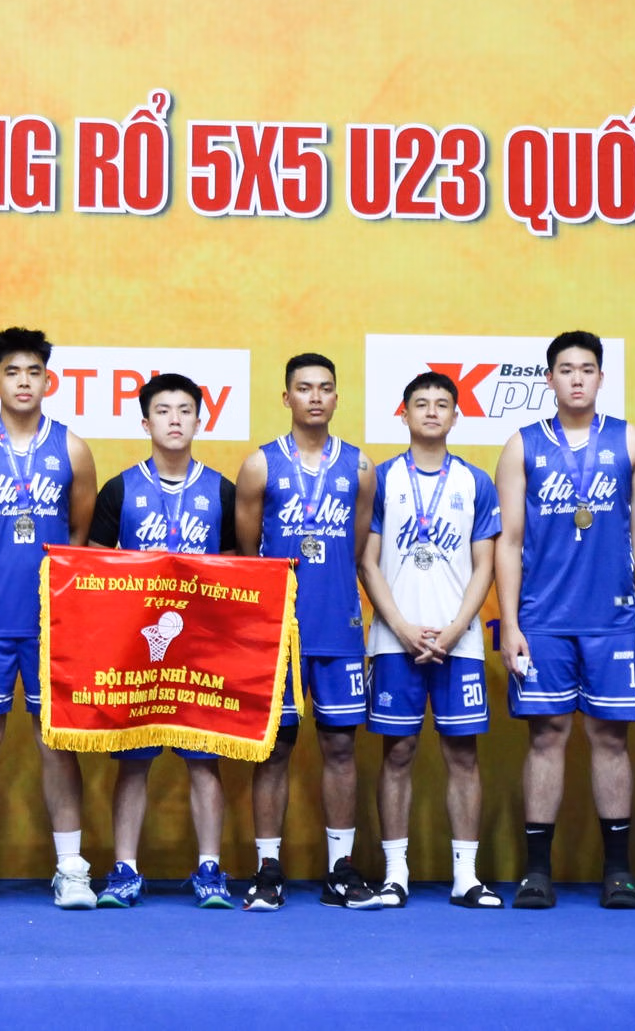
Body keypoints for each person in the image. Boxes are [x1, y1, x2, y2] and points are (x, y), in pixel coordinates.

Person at [494, 330, 635, 909]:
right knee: (547, 736)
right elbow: (508, 542)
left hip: (613, 621)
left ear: (601, 378)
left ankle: (617, 871)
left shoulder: (631, 442)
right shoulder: (522, 446)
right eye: (566, 369)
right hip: (542, 620)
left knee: (610, 738)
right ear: (549, 379)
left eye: (587, 369)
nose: (576, 379)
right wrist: (509, 622)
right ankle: (536, 872)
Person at [0, 328, 99, 912]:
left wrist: (61, 594)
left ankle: (72, 868)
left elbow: (79, 533)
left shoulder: (73, 449)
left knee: (56, 741)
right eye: (13, 371)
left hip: (53, 624)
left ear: (47, 380)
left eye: (34, 371)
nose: (24, 381)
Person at [88, 372, 240, 909]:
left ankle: (210, 867)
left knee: (204, 761)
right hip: (138, 649)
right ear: (145, 422)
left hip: (201, 649)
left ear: (200, 420)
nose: (174, 420)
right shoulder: (120, 489)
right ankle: (125, 868)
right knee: (133, 761)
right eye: (163, 411)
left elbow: (240, 576)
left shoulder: (222, 491)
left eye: (184, 411)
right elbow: (93, 573)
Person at [236, 352, 378, 912]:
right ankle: (268, 868)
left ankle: (341, 869)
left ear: (337, 397)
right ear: (286, 397)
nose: (315, 397)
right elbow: (249, 551)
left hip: (339, 626)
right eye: (304, 388)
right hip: (281, 634)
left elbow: (357, 546)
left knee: (341, 746)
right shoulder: (261, 466)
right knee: (275, 749)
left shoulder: (360, 467)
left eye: (325, 388)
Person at [360, 372, 503, 908]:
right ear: (404, 413)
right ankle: (395, 874)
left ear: (456, 416)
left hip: (457, 642)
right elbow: (368, 561)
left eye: (442, 403)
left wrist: (456, 627)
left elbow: (485, 564)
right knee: (397, 752)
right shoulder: (381, 479)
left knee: (462, 755)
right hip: (394, 640)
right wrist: (399, 626)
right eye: (421, 403)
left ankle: (466, 876)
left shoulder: (474, 481)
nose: (432, 411)